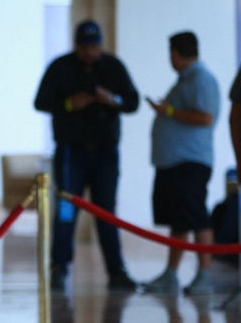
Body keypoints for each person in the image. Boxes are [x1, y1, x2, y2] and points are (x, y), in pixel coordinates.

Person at [34, 19, 140, 291]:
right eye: (84, 47)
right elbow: (41, 101)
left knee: (106, 212)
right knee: (66, 212)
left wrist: (112, 100)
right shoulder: (61, 67)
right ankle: (58, 268)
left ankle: (116, 271)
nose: (89, 52)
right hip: (72, 153)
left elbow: (132, 102)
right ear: (77, 45)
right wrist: (70, 103)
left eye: (94, 46)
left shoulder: (114, 67)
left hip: (105, 153)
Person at [143, 31, 220, 295]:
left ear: (175, 53)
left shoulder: (201, 79)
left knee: (196, 215)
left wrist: (170, 111)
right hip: (174, 162)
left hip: (190, 161)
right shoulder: (186, 80)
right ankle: (171, 274)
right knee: (179, 220)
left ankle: (204, 274)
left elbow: (206, 117)